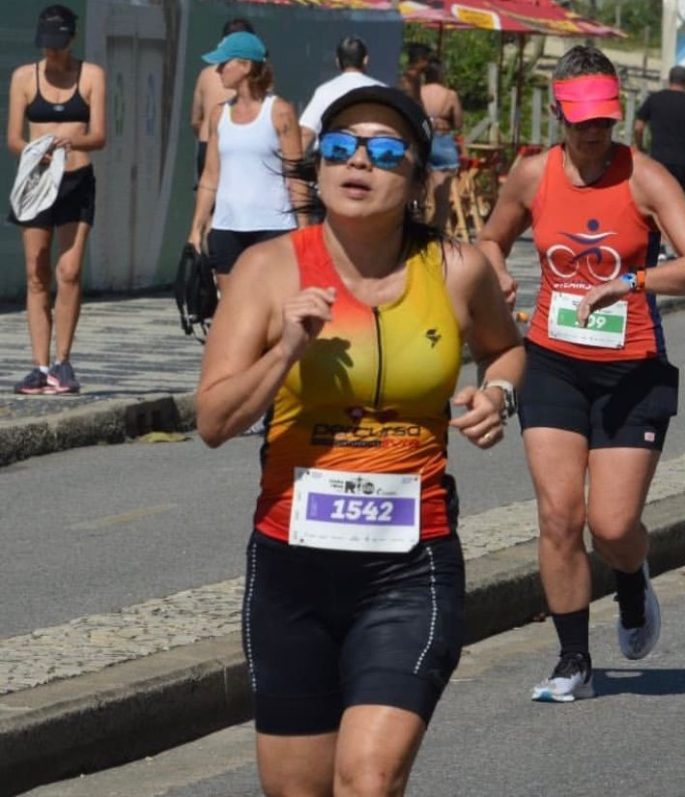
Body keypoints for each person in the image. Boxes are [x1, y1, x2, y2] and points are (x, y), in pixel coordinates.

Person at [195, 85, 524, 796]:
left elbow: (506, 349)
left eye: (383, 152)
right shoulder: (269, 268)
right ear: (318, 166)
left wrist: (499, 394)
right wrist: (283, 349)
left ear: (416, 178)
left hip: (409, 567)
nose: (358, 163)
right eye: (341, 148)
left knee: (369, 779)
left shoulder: (457, 269)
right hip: (292, 568)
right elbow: (214, 420)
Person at [476, 45, 685, 703]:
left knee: (611, 526)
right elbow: (489, 240)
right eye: (582, 119)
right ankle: (573, 660)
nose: (595, 131)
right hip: (553, 361)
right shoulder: (532, 176)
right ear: (559, 112)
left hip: (631, 367)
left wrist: (633, 281)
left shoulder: (644, 177)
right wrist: (495, 270)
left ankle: (633, 575)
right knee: (560, 515)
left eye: (605, 118)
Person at [6, 4, 106, 395]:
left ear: (71, 39)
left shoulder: (91, 75)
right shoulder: (24, 78)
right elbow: (14, 137)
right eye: (46, 45)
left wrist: (70, 142)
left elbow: (98, 136)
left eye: (58, 45)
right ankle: (39, 364)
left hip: (76, 178)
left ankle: (63, 361)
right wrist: (37, 150)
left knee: (69, 271)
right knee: (36, 273)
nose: (52, 53)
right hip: (35, 182)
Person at [189, 31, 306, 295]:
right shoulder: (219, 113)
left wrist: (306, 228)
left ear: (245, 65)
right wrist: (196, 228)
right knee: (231, 311)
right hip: (227, 226)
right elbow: (210, 176)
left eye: (224, 62)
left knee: (273, 310)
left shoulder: (279, 111)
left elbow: (295, 174)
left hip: (273, 227)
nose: (217, 69)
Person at [190, 17, 253, 184]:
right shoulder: (256, 75)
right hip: (238, 148)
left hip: (209, 141)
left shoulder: (206, 74)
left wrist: (209, 134)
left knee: (210, 202)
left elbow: (196, 121)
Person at [298, 36, 384, 152]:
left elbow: (306, 132)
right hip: (370, 159)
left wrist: (294, 167)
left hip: (331, 159)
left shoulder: (325, 91)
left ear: (338, 62)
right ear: (365, 60)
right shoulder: (382, 91)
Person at [634, 65, 685, 199]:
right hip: (683, 164)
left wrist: (640, 146)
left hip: (658, 161)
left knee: (656, 201)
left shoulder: (654, 99)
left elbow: (638, 127)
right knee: (679, 204)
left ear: (669, 80)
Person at [420, 58, 462, 232]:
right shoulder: (450, 95)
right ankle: (436, 232)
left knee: (418, 191)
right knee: (442, 195)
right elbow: (459, 123)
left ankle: (418, 229)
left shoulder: (419, 92)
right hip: (443, 140)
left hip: (423, 139)